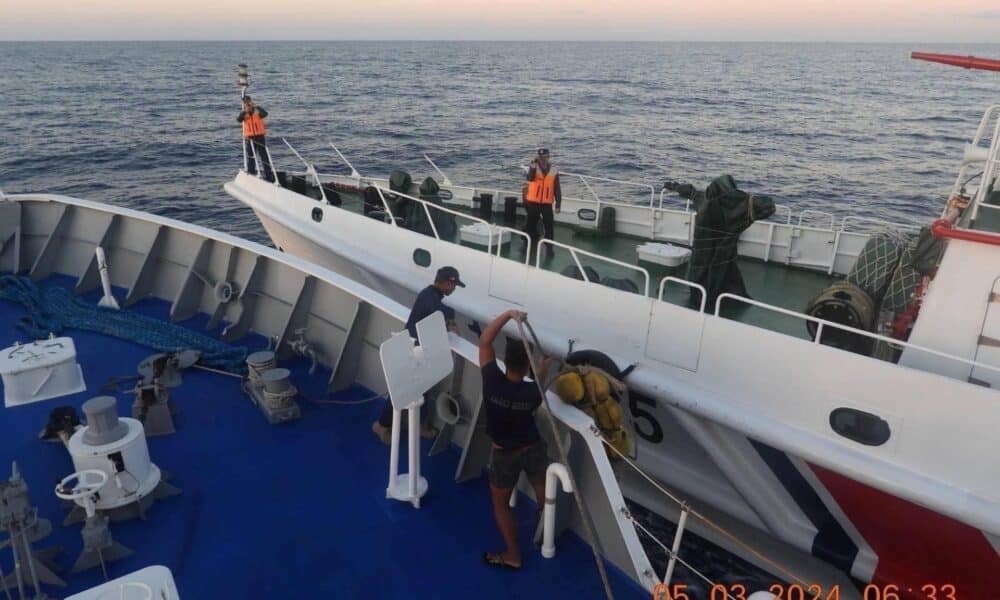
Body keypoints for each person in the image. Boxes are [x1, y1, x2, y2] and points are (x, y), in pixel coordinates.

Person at [479, 309, 553, 571]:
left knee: (501, 504)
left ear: (504, 360)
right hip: (532, 447)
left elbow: (485, 341)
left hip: (504, 455)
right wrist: (543, 368)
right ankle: (546, 525)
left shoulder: (491, 382)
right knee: (541, 486)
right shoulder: (533, 392)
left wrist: (508, 315)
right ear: (528, 367)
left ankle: (513, 554)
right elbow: (536, 385)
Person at [371, 266, 464, 444]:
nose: (454, 288)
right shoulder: (428, 295)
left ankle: (421, 425)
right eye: (453, 285)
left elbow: (434, 315)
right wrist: (451, 319)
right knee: (401, 390)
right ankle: (381, 425)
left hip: (423, 351)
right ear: (446, 283)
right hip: (412, 350)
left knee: (425, 388)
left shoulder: (434, 296)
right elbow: (438, 310)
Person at [523, 148, 562, 258]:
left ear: (548, 157)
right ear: (538, 158)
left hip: (547, 203)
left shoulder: (554, 169)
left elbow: (557, 188)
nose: (543, 159)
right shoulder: (533, 167)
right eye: (541, 157)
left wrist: (558, 204)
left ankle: (549, 248)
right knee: (530, 226)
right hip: (533, 202)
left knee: (549, 226)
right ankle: (527, 246)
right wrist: (533, 167)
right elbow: (529, 179)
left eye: (545, 157)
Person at [237, 96, 274, 182]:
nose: (247, 104)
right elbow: (239, 120)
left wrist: (255, 107)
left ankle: (268, 175)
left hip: (260, 136)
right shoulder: (243, 113)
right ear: (243, 103)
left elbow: (265, 114)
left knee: (264, 157)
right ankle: (251, 173)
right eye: (245, 102)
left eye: (248, 102)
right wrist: (244, 112)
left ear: (250, 101)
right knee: (251, 156)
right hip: (250, 137)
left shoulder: (257, 109)